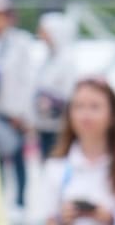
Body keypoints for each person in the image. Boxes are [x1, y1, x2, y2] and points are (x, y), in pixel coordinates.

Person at [39, 78, 115, 225]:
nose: (85, 114)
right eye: (79, 106)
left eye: (95, 107)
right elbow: (49, 220)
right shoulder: (56, 166)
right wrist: (62, 219)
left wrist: (112, 219)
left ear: (113, 115)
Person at [0, 0, 32, 215]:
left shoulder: (21, 42)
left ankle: (20, 203)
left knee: (18, 157)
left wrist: (22, 113)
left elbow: (27, 80)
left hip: (14, 111)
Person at [34, 11, 80, 159]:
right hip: (44, 122)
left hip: (60, 123)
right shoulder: (46, 58)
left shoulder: (67, 61)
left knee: (57, 160)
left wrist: (50, 100)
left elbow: (69, 92)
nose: (41, 35)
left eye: (44, 31)